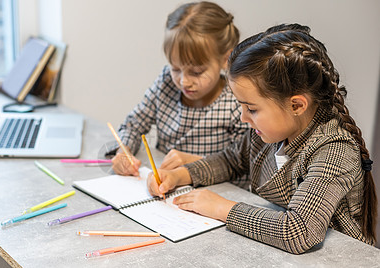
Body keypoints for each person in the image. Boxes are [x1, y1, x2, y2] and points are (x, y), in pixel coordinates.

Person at [147, 23, 377, 254]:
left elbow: (298, 231)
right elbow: (231, 160)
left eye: (252, 109)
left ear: (296, 105)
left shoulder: (335, 150)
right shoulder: (271, 132)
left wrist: (223, 208)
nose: (243, 117)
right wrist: (180, 175)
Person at [110, 1, 249, 180]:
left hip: (211, 194)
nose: (184, 81)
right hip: (164, 188)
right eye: (176, 68)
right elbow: (134, 124)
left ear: (225, 59)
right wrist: (124, 151)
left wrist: (195, 163)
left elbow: (243, 167)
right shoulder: (166, 81)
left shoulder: (236, 104)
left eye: (196, 72)